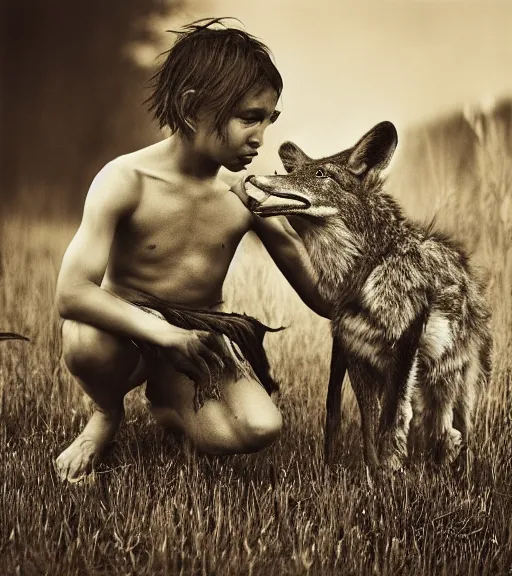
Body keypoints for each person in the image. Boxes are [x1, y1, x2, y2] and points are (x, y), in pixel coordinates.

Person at [55, 18, 330, 482]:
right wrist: (161, 334)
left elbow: (324, 297)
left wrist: (318, 214)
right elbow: (72, 294)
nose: (261, 137)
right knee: (85, 340)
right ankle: (106, 412)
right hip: (130, 331)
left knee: (259, 427)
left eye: (269, 119)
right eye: (249, 117)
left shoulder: (245, 197)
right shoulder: (125, 180)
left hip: (198, 338)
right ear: (191, 108)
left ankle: (169, 396)